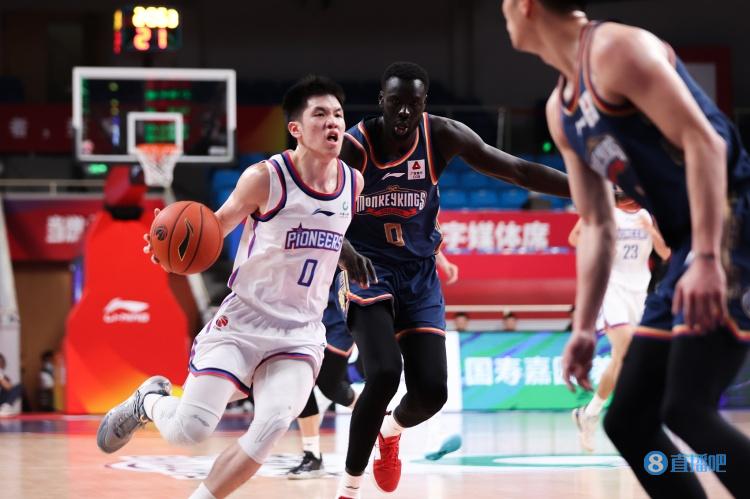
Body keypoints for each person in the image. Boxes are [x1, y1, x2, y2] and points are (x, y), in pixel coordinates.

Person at [501, 1, 750, 497]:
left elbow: (706, 144)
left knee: (686, 407)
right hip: (687, 244)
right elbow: (597, 223)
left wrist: (706, 257)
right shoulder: (560, 111)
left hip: (731, 219)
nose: (502, 15)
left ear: (525, 6)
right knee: (629, 420)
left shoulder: (616, 49)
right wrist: (582, 328)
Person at [97, 75, 375, 499]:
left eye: (338, 114)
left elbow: (330, 233)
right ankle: (148, 401)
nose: (333, 122)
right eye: (320, 114)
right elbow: (215, 226)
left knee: (271, 424)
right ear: (296, 129)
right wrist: (170, 248)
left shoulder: (353, 183)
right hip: (244, 321)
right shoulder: (265, 178)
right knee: (190, 430)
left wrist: (350, 258)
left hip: (299, 333)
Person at [335, 61, 570, 498]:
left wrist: (590, 191)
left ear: (424, 103)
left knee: (432, 393)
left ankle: (390, 431)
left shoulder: (441, 135)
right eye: (395, 102)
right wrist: (345, 254)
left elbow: (518, 170)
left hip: (419, 273)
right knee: (384, 373)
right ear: (381, 101)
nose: (404, 112)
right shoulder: (355, 147)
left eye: (413, 103)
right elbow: (322, 210)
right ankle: (348, 489)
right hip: (369, 268)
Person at [288, 248, 459, 479]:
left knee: (331, 383)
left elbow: (418, 233)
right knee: (306, 378)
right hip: (303, 301)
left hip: (340, 300)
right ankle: (314, 454)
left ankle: (386, 425)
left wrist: (442, 260)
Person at [568, 188, 670, 451]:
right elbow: (574, 238)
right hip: (611, 288)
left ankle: (589, 412)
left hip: (640, 292)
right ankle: (635, 416)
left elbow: (666, 253)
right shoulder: (604, 209)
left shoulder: (648, 213)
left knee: (620, 359)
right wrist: (599, 245)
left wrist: (650, 230)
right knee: (627, 352)